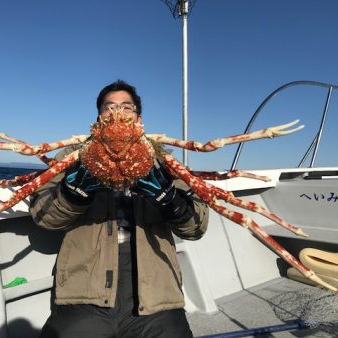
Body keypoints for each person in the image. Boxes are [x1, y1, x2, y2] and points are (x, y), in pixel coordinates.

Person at [30, 80, 209, 338]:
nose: (117, 113)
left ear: (138, 118)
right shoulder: (73, 157)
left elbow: (198, 226)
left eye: (126, 107)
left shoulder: (162, 159)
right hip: (84, 290)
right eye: (109, 107)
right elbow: (43, 216)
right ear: (99, 117)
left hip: (156, 294)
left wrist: (170, 199)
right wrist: (73, 195)